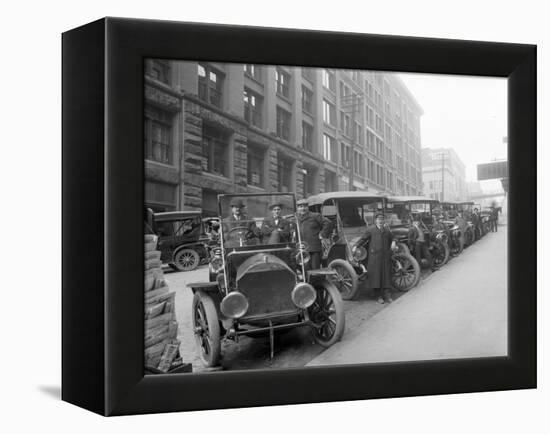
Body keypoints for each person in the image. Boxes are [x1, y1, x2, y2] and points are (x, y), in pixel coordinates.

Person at [354, 213, 397, 304]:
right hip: (375, 257)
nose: (380, 221)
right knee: (376, 277)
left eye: (382, 219)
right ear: (375, 220)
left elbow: (393, 237)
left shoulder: (387, 230)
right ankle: (378, 296)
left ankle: (387, 295)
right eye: (379, 219)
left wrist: (394, 242)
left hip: (385, 257)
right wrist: (356, 246)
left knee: (386, 276)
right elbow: (363, 239)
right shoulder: (371, 230)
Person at [296, 198, 332, 270]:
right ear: (297, 208)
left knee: (315, 269)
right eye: (300, 206)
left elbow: (328, 223)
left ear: (308, 207)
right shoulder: (296, 218)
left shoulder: (315, 216)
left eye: (305, 206)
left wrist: (322, 234)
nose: (303, 208)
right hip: (302, 248)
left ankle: (317, 281)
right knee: (304, 269)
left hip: (314, 248)